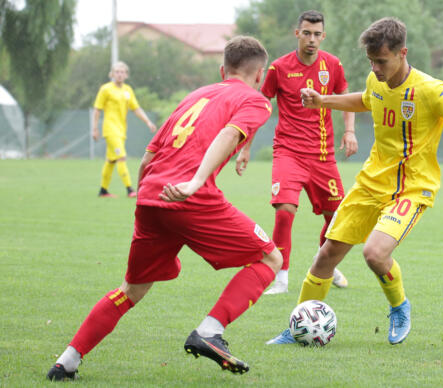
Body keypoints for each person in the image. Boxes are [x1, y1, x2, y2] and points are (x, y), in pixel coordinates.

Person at [47, 36, 282, 381]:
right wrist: (195, 182)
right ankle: (209, 331)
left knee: (131, 290)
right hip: (191, 198)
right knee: (270, 258)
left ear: (222, 70)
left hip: (151, 198)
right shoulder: (255, 100)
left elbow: (149, 155)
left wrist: (147, 202)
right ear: (260, 75)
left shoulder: (194, 96)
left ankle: (66, 362)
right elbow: (230, 135)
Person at [266, 17, 443, 345]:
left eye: (381, 61)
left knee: (374, 254)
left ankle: (399, 306)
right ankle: (298, 329)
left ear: (402, 53)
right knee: (326, 255)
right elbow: (366, 99)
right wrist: (323, 101)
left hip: (412, 188)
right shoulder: (375, 79)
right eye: (371, 61)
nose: (375, 68)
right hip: (370, 183)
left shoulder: (431, 90)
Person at [236, 10, 358, 295]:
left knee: (338, 219)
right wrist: (245, 148)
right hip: (288, 152)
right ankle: (280, 278)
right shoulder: (278, 68)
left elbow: (346, 99)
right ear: (297, 34)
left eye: (316, 34)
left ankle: (324, 263)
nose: (311, 39)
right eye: (306, 33)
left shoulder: (333, 65)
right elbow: (260, 107)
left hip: (323, 155)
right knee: (284, 212)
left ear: (323, 36)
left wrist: (350, 132)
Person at [92, 61, 157, 198]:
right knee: (121, 157)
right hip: (110, 129)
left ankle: (103, 191)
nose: (119, 74)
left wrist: (148, 121)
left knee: (111, 160)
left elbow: (136, 108)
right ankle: (130, 189)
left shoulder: (128, 90)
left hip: (122, 130)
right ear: (111, 74)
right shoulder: (105, 89)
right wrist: (95, 129)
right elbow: (97, 109)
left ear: (126, 75)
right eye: (117, 72)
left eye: (122, 72)